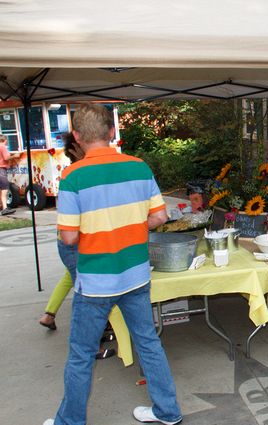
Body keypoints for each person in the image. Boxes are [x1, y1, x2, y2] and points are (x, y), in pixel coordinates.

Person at [44, 104, 181, 425]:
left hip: (95, 282)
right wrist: (132, 226)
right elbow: (160, 216)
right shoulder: (139, 166)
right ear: (112, 132)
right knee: (148, 342)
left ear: (76, 136)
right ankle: (168, 411)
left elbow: (68, 238)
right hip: (135, 275)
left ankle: (69, 421)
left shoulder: (72, 176)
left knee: (80, 354)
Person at [38, 134, 117, 359]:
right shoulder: (78, 174)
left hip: (75, 241)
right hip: (74, 241)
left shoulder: (77, 171)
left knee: (74, 281)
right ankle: (90, 347)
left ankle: (51, 315)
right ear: (78, 147)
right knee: (87, 295)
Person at [0, 134, 20, 215]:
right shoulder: (2, 147)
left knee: (1, 189)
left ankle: (2, 206)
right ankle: (5, 208)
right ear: (5, 140)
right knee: (4, 189)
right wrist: (15, 155)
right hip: (1, 169)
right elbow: (6, 158)